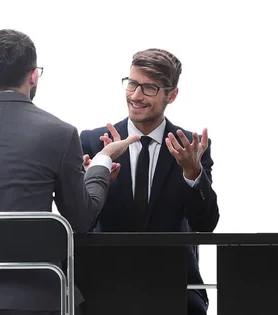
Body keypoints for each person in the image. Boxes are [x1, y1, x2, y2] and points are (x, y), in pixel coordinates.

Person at [0, 29, 140, 315]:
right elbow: (80, 220)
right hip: (37, 297)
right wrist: (102, 163)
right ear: (33, 76)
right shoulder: (61, 133)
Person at [79, 48, 220, 315]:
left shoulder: (191, 146)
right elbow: (79, 222)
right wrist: (95, 181)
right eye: (132, 84)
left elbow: (205, 224)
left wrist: (193, 174)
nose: (135, 96)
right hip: (103, 288)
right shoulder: (92, 142)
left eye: (149, 88)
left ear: (172, 94)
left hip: (174, 290)